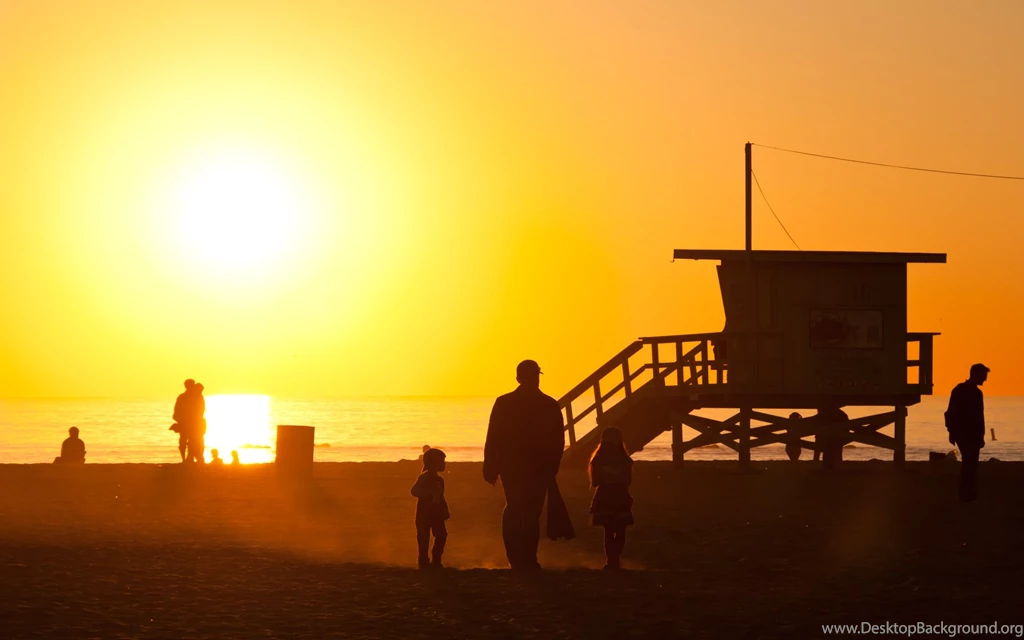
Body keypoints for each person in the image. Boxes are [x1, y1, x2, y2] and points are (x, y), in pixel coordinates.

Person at [483, 359, 565, 570]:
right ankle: (522, 558)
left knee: (526, 510)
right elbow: (494, 435)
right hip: (519, 465)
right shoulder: (547, 404)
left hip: (524, 465)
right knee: (521, 508)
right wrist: (490, 463)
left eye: (535, 376)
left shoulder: (508, 402)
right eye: (533, 376)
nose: (534, 380)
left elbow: (493, 436)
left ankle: (524, 558)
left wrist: (490, 463)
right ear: (522, 378)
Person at [589, 427, 634, 570]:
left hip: (604, 496)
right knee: (621, 530)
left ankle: (610, 561)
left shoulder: (597, 459)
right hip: (621, 496)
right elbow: (628, 481)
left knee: (608, 531)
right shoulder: (625, 459)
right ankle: (615, 559)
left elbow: (595, 482)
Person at [945, 363, 989, 502]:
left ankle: (967, 495)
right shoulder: (970, 392)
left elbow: (950, 413)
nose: (985, 379)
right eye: (983, 376)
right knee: (970, 464)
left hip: (966, 433)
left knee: (969, 464)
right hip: (967, 433)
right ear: (975, 374)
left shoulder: (962, 390)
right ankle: (967, 495)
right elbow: (977, 416)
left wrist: (952, 432)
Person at [410, 446, 449, 569]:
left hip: (436, 513)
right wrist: (427, 492)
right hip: (424, 513)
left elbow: (440, 497)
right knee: (423, 537)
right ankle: (423, 561)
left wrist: (444, 510)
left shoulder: (440, 479)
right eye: (442, 461)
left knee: (441, 535)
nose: (444, 464)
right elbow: (414, 491)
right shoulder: (424, 477)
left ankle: (436, 560)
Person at [171, 379, 197, 462]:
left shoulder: (197, 396)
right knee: (183, 442)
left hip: (193, 424)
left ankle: (190, 459)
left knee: (192, 442)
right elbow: (176, 412)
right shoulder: (182, 397)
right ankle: (185, 459)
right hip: (185, 424)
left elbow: (201, 410)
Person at [188, 383, 208, 464]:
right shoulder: (197, 398)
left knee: (196, 441)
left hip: (198, 422)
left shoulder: (198, 398)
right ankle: (192, 458)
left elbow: (197, 411)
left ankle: (198, 458)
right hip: (197, 422)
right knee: (194, 441)